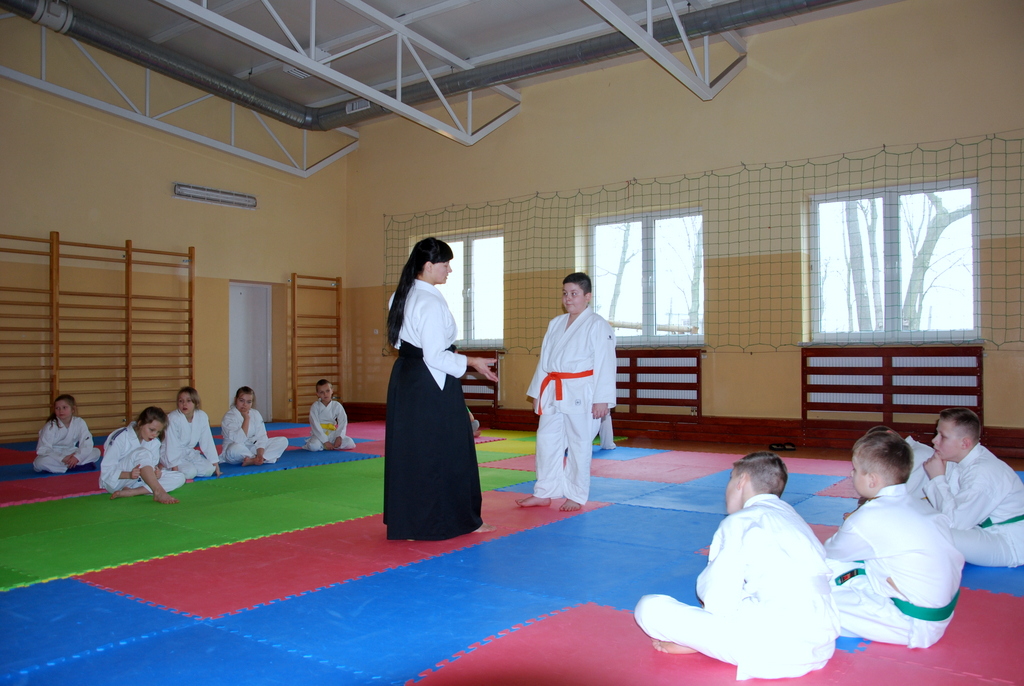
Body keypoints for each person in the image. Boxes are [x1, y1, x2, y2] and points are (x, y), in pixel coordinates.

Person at [634, 452, 839, 680]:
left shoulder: (739, 522)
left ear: (742, 481)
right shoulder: (794, 519)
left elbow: (717, 600)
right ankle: (706, 641)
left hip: (771, 650)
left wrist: (696, 635)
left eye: (730, 478)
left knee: (649, 608)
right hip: (822, 646)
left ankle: (700, 644)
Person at [384, 237, 497, 541]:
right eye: (445, 264)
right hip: (432, 381)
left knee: (413, 451)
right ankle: (461, 520)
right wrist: (472, 361)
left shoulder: (400, 295)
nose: (449, 270)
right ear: (428, 265)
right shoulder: (430, 302)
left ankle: (409, 525)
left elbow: (399, 342)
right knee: (449, 450)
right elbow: (435, 355)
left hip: (406, 378)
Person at [825, 430, 964, 648]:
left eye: (856, 470)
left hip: (911, 622)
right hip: (935, 614)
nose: (851, 474)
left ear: (872, 480)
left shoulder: (867, 517)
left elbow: (829, 554)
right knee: (851, 564)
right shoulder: (920, 505)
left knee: (810, 592)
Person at [517, 273, 616, 511]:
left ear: (587, 296)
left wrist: (602, 399)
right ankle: (544, 491)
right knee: (546, 440)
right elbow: (544, 361)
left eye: (574, 294)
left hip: (582, 391)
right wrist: (538, 393)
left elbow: (606, 362)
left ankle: (576, 494)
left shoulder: (598, 325)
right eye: (565, 293)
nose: (568, 298)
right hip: (553, 389)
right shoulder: (556, 323)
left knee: (579, 443)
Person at [921, 407, 1024, 567]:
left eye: (942, 436)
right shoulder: (956, 460)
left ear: (965, 443)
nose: (934, 440)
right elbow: (948, 507)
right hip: (978, 528)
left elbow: (954, 523)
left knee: (932, 533)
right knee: (915, 517)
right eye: (936, 433)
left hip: (1009, 541)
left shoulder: (983, 473)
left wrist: (937, 479)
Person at [100, 406, 185, 503]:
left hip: (136, 482)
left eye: (158, 432)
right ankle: (158, 492)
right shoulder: (121, 437)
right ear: (140, 424)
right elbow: (106, 472)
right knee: (142, 452)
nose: (154, 435)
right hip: (116, 482)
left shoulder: (154, 442)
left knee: (179, 477)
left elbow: (149, 466)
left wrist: (156, 473)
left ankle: (132, 492)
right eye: (151, 430)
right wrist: (128, 475)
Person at [161, 386, 220, 479]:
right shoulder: (173, 418)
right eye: (181, 401)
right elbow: (171, 445)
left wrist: (215, 463)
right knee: (190, 473)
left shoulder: (202, 416)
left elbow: (207, 441)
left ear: (196, 403)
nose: (184, 404)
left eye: (188, 401)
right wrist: (174, 470)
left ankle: (187, 466)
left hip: (189, 452)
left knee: (209, 470)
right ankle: (164, 467)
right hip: (170, 453)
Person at [220, 387, 288, 466]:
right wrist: (246, 418)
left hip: (253, 447)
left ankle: (255, 459)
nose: (244, 404)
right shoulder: (229, 416)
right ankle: (264, 459)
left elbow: (261, 437)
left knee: (283, 440)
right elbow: (239, 440)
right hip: (237, 449)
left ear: (252, 403)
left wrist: (260, 454)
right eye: (241, 400)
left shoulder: (255, 414)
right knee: (233, 449)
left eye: (248, 402)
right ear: (236, 400)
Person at [33, 394, 101, 473]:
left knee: (96, 452)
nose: (61, 411)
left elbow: (86, 443)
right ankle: (75, 466)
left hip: (71, 452)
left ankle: (64, 467)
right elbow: (43, 449)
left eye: (64, 407)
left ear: (73, 409)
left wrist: (77, 457)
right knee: (39, 463)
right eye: (57, 408)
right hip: (54, 454)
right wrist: (62, 458)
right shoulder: (50, 426)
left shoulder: (79, 422)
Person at [304, 379, 356, 451]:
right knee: (313, 446)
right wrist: (325, 441)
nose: (325, 394)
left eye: (327, 391)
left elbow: (343, 421)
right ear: (317, 394)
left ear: (332, 391)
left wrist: (339, 437)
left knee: (350, 443)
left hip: (332, 433)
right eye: (321, 392)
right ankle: (323, 444)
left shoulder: (336, 405)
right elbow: (315, 424)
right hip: (319, 434)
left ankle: (327, 445)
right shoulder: (315, 406)